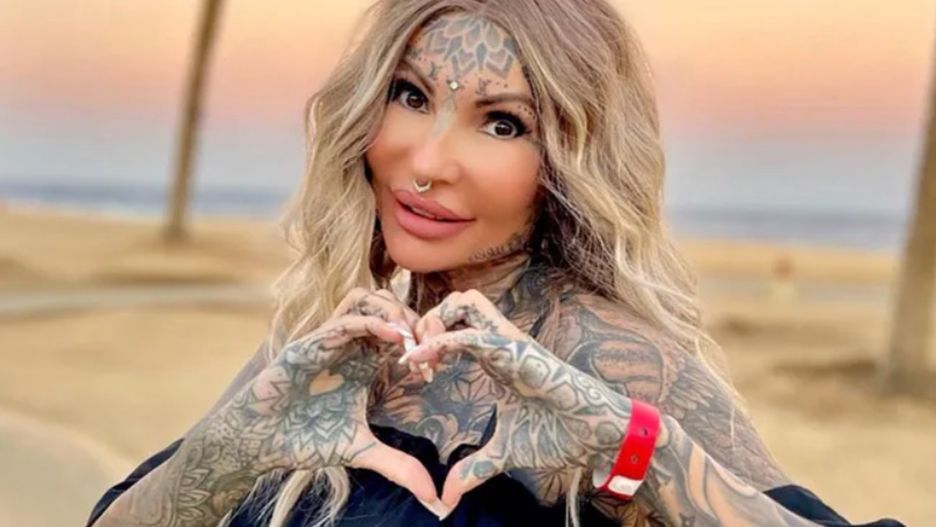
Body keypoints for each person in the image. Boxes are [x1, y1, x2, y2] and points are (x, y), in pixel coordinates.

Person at [88, 1, 905, 526]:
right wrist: (229, 451)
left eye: (503, 123)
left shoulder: (617, 361)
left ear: (571, 163)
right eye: (410, 95)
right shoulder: (327, 343)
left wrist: (638, 456)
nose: (426, 163)